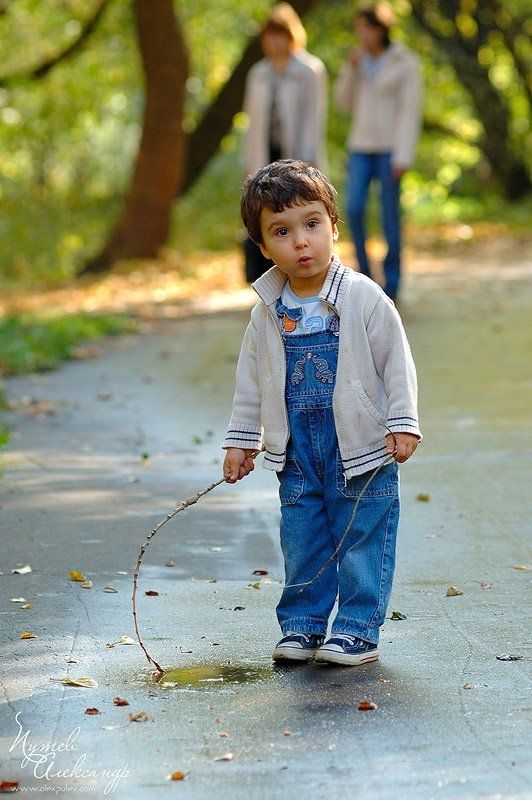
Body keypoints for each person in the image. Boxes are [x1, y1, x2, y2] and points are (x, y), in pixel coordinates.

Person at [222, 160, 422, 666]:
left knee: (362, 533)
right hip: (295, 451)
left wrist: (402, 421)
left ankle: (357, 629)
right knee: (303, 537)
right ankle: (303, 625)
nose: (301, 243)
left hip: (360, 443)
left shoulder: (362, 298)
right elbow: (250, 381)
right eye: (282, 232)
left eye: (312, 225)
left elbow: (394, 360)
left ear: (334, 226)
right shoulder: (267, 312)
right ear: (264, 248)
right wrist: (242, 439)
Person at [334, 2, 423, 302]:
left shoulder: (404, 61)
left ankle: (393, 283)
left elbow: (409, 111)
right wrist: (351, 70)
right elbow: (343, 104)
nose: (362, 34)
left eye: (367, 28)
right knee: (354, 209)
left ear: (381, 28)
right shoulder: (358, 62)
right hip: (360, 146)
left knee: (389, 216)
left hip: (390, 150)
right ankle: (366, 279)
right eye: (358, 28)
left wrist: (403, 155)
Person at [241, 3, 328, 283]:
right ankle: (264, 276)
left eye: (281, 34)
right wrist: (248, 161)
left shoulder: (309, 70)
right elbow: (251, 121)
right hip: (264, 153)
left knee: (297, 212)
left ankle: (304, 272)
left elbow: (314, 118)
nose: (275, 42)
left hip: (298, 155)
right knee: (263, 213)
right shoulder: (259, 73)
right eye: (270, 35)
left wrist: (307, 163)